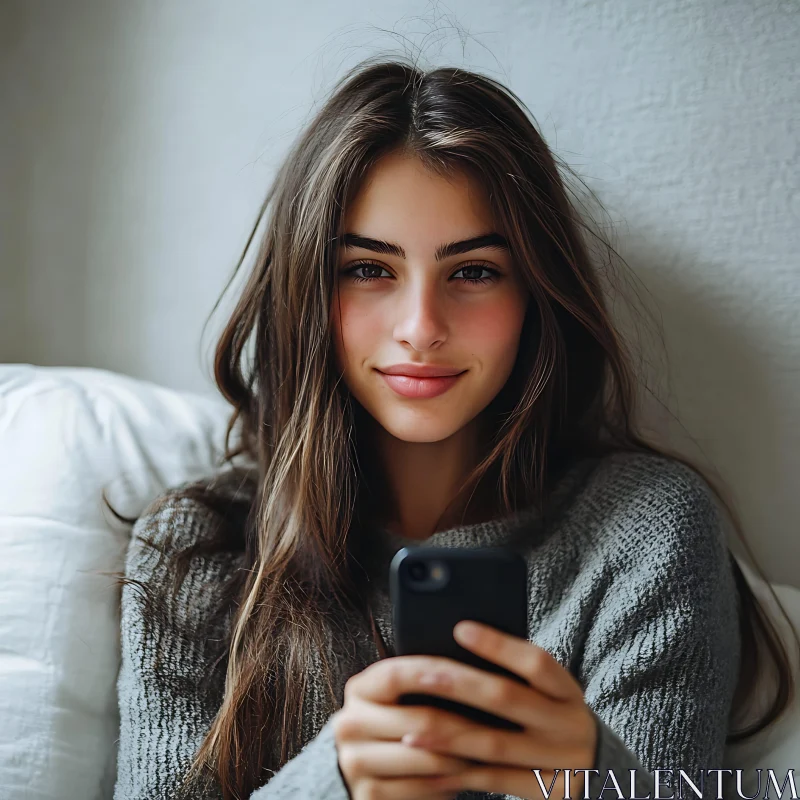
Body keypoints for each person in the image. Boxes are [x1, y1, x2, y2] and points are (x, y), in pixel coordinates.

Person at [110, 56, 797, 800]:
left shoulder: (648, 532)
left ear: (536, 292)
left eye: (473, 272)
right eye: (369, 270)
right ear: (307, 293)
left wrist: (593, 778)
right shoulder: (193, 548)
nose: (421, 328)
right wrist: (338, 778)